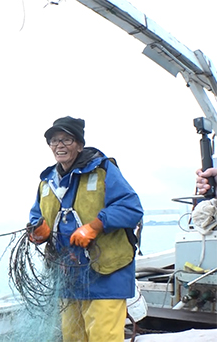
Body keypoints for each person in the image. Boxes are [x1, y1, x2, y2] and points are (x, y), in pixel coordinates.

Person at [27, 116, 143, 342]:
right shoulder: (46, 181)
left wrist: (95, 226)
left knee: (103, 337)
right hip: (68, 277)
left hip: (107, 274)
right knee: (73, 337)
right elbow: (35, 217)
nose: (59, 145)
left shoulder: (103, 171)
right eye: (54, 140)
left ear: (80, 145)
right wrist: (37, 232)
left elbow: (131, 208)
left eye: (67, 139)